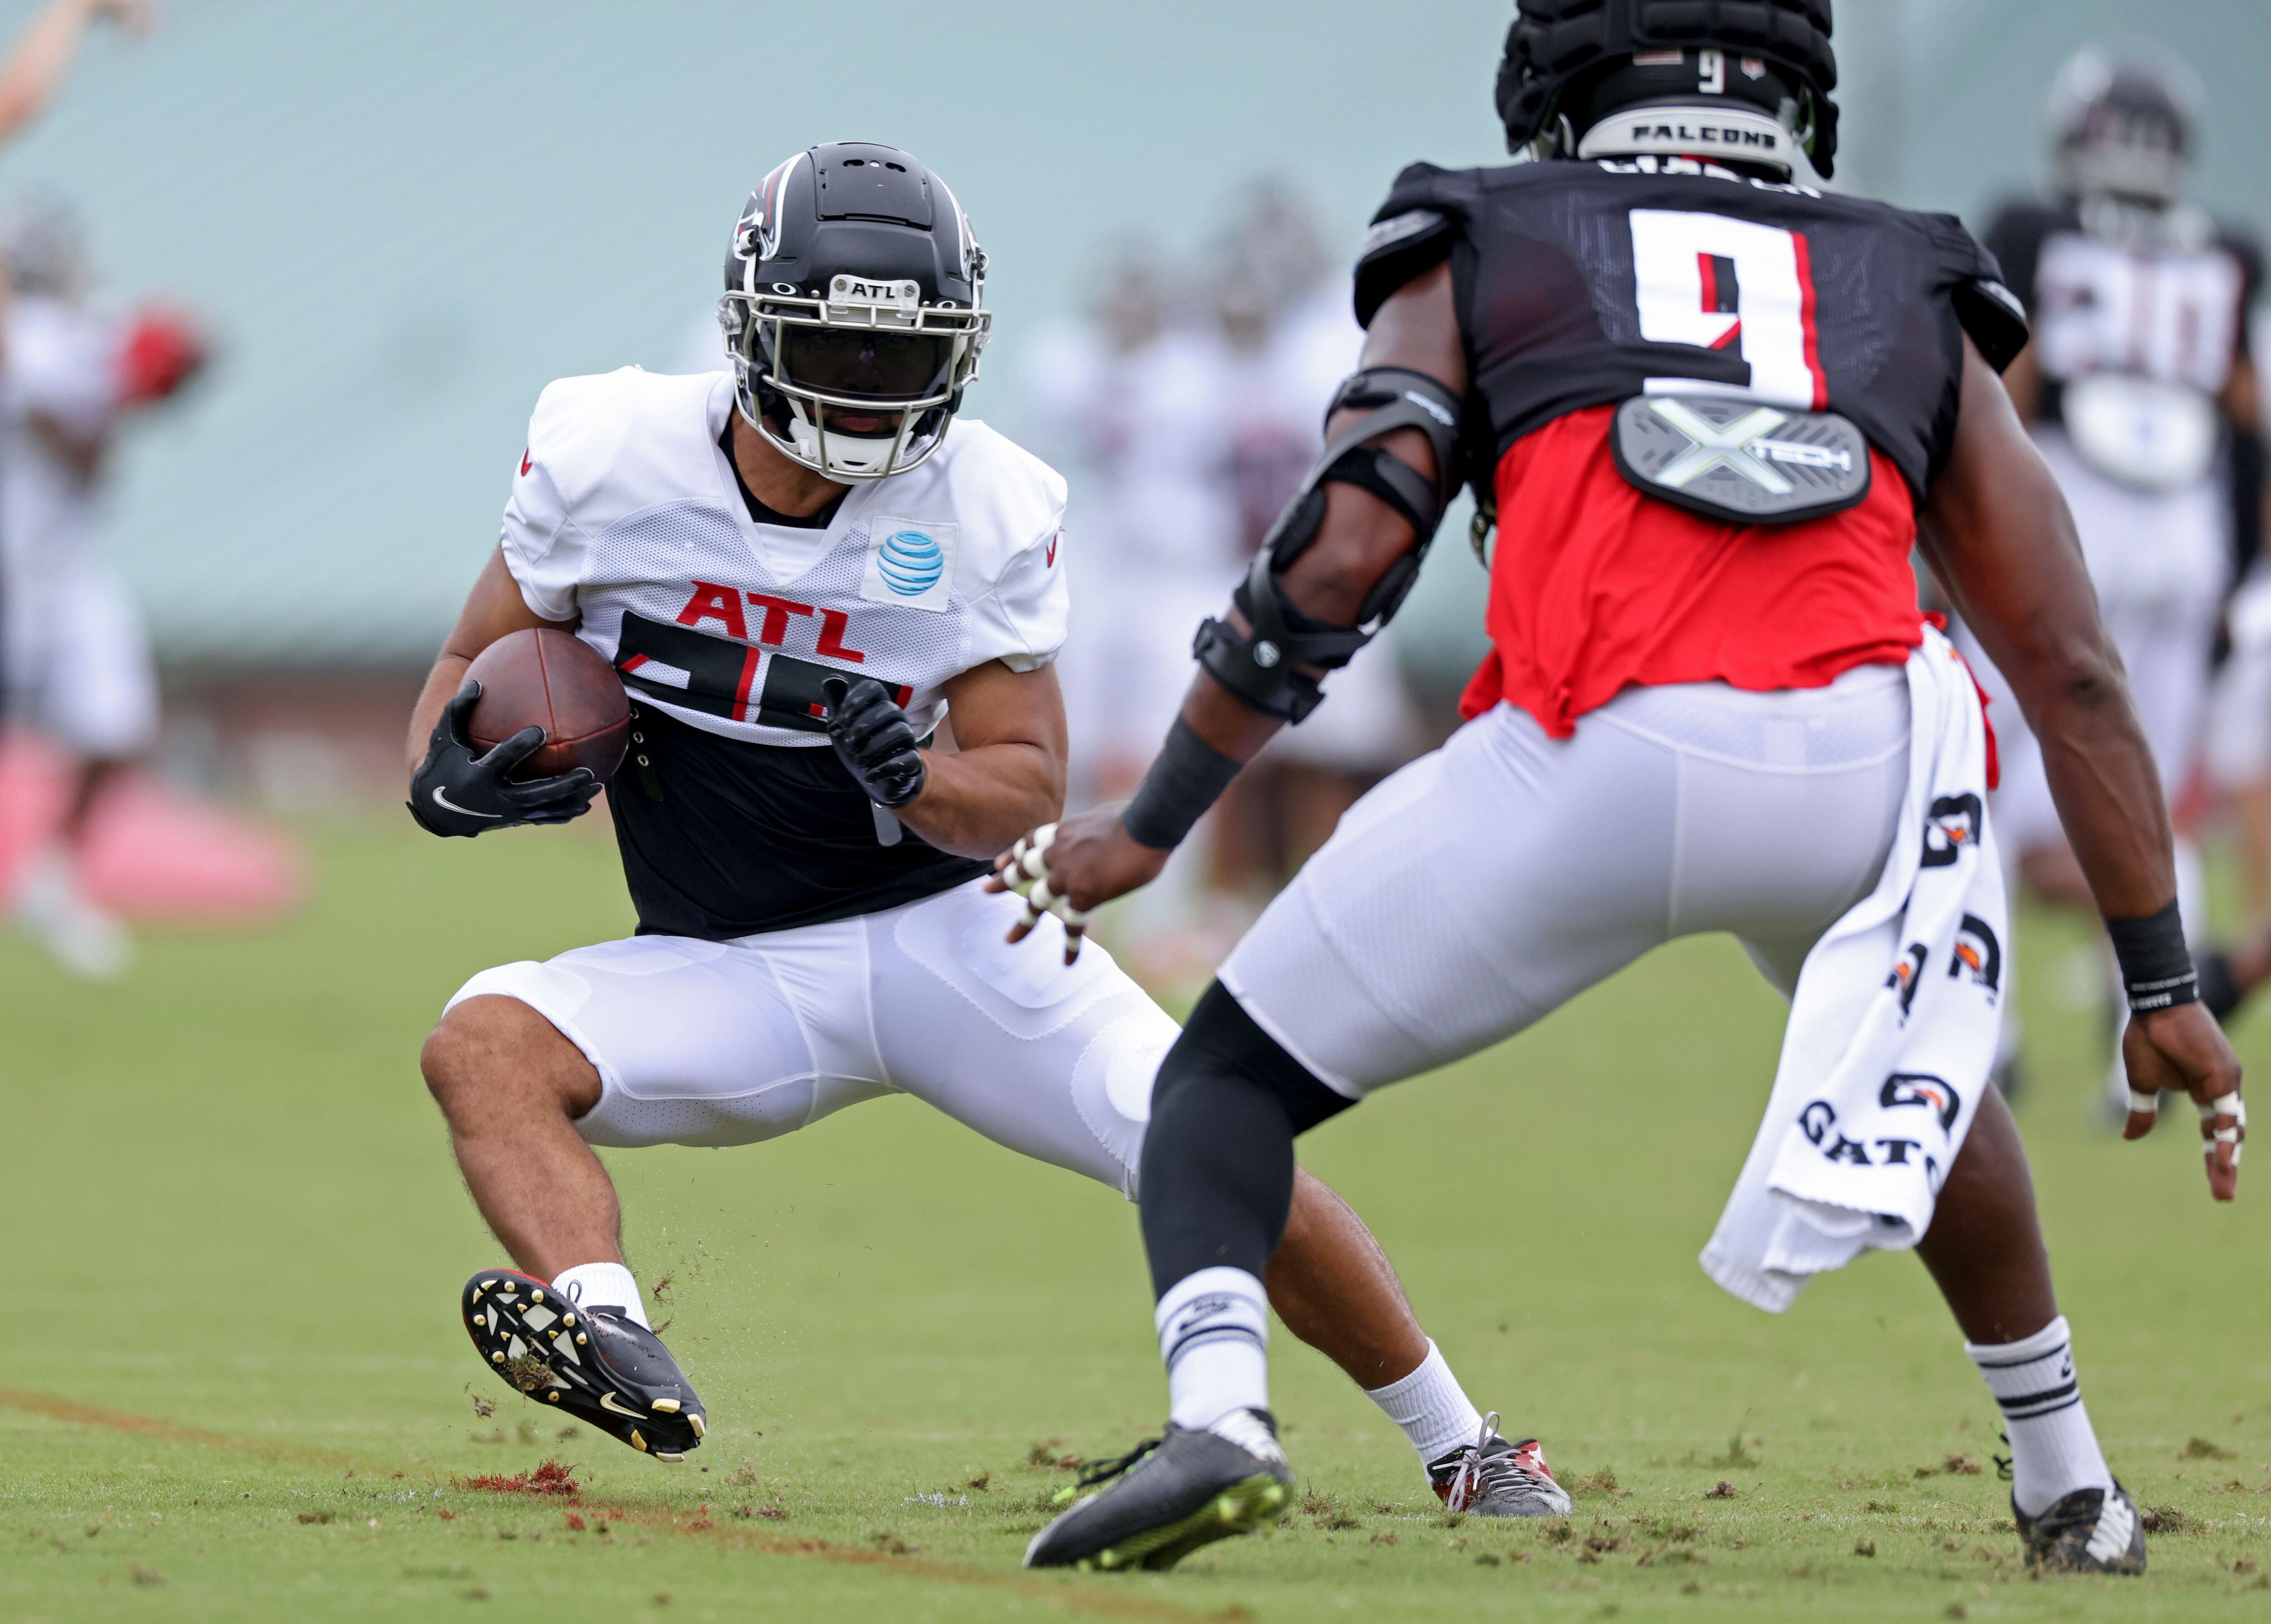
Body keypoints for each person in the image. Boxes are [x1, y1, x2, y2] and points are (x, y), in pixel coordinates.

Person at [1003, 1, 2243, 1577]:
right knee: (1913, 1061)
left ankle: (1225, 1414)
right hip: (1863, 757)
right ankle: (2072, 1483)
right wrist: (2160, 975)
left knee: (1222, 1089)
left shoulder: (1494, 222)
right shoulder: (1903, 264)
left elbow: (1354, 537)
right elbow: (2067, 658)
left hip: (1592, 751)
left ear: (1562, 71)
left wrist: (1152, 818)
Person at [413, 142, 1565, 1518]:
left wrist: (918, 783)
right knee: (482, 1045)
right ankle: (608, 1331)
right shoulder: (610, 454)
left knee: (1199, 1130)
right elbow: (473, 667)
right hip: (731, 968)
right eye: (831, 344)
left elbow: (1027, 784)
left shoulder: (982, 502)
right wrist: (448, 772)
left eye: (902, 357)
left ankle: (1467, 1443)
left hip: (955, 937)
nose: (863, 388)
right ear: (752, 328)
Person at [1964, 45, 2270, 1087]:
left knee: (1982, 781)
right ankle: (2141, 1044)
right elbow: (2245, 429)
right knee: (2148, 796)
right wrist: (2232, 578)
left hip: (2063, 521)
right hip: (2184, 542)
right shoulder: (2224, 253)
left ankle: (1983, 1036)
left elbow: (1998, 394)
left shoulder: (2030, 231)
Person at [2, 192, 202, 977]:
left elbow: (167, 352)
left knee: (120, 727)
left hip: (65, 565)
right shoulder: (33, 339)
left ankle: (50, 877)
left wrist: (163, 368)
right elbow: (62, 412)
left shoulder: (68, 333)